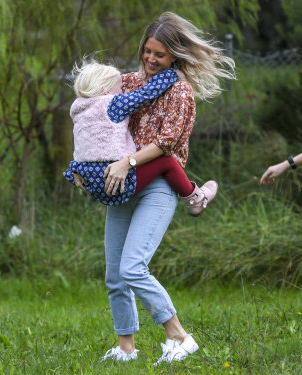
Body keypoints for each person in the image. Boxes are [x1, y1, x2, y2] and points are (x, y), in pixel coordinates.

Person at [74, 12, 235, 364]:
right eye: (147, 51)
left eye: (159, 55)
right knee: (115, 275)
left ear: (174, 56)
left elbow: (166, 143)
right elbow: (99, 108)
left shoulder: (180, 92)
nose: (150, 59)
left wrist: (127, 161)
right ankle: (126, 348)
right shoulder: (130, 83)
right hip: (121, 186)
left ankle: (179, 336)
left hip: (156, 185)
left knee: (133, 267)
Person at [64, 59, 218, 215]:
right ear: (105, 89)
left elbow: (83, 143)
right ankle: (195, 199)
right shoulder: (113, 104)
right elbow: (146, 93)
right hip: (114, 178)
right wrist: (173, 74)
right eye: (118, 87)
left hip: (86, 177)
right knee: (167, 161)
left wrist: (73, 170)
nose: (122, 91)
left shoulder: (79, 110)